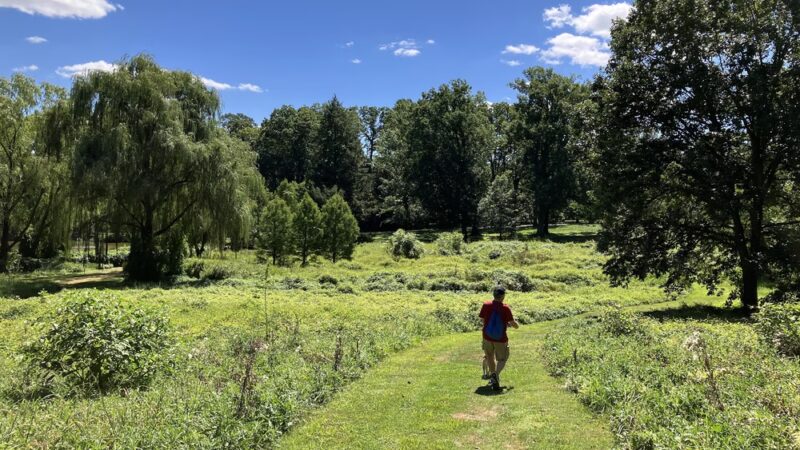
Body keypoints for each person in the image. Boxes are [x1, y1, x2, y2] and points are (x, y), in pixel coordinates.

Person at [479, 286, 518, 391]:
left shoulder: (486, 305)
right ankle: (495, 375)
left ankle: (493, 376)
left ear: (494, 295)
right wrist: (517, 325)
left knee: (489, 357)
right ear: (503, 296)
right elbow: (513, 323)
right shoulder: (505, 308)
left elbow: (482, 319)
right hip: (501, 338)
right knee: (502, 358)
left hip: (487, 337)